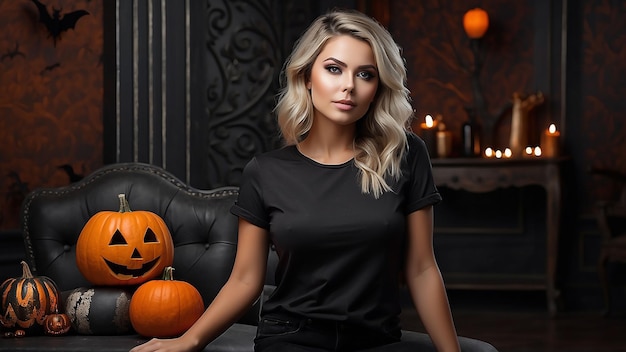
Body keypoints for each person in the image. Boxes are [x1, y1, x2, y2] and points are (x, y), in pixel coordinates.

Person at [130, 8, 460, 352]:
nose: (349, 86)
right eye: (334, 69)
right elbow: (245, 279)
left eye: (365, 74)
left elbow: (422, 269)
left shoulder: (405, 156)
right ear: (306, 77)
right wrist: (190, 340)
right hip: (291, 337)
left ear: (377, 88)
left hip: (376, 340)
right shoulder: (265, 172)